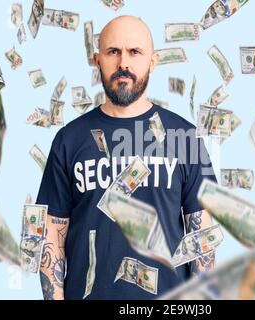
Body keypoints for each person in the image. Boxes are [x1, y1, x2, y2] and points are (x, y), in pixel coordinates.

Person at [37, 15, 218, 300]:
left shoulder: (186, 137)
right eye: (113, 52)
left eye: (135, 52)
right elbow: (51, 238)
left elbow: (202, 239)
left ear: (153, 61)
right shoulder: (68, 140)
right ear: (97, 60)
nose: (123, 63)